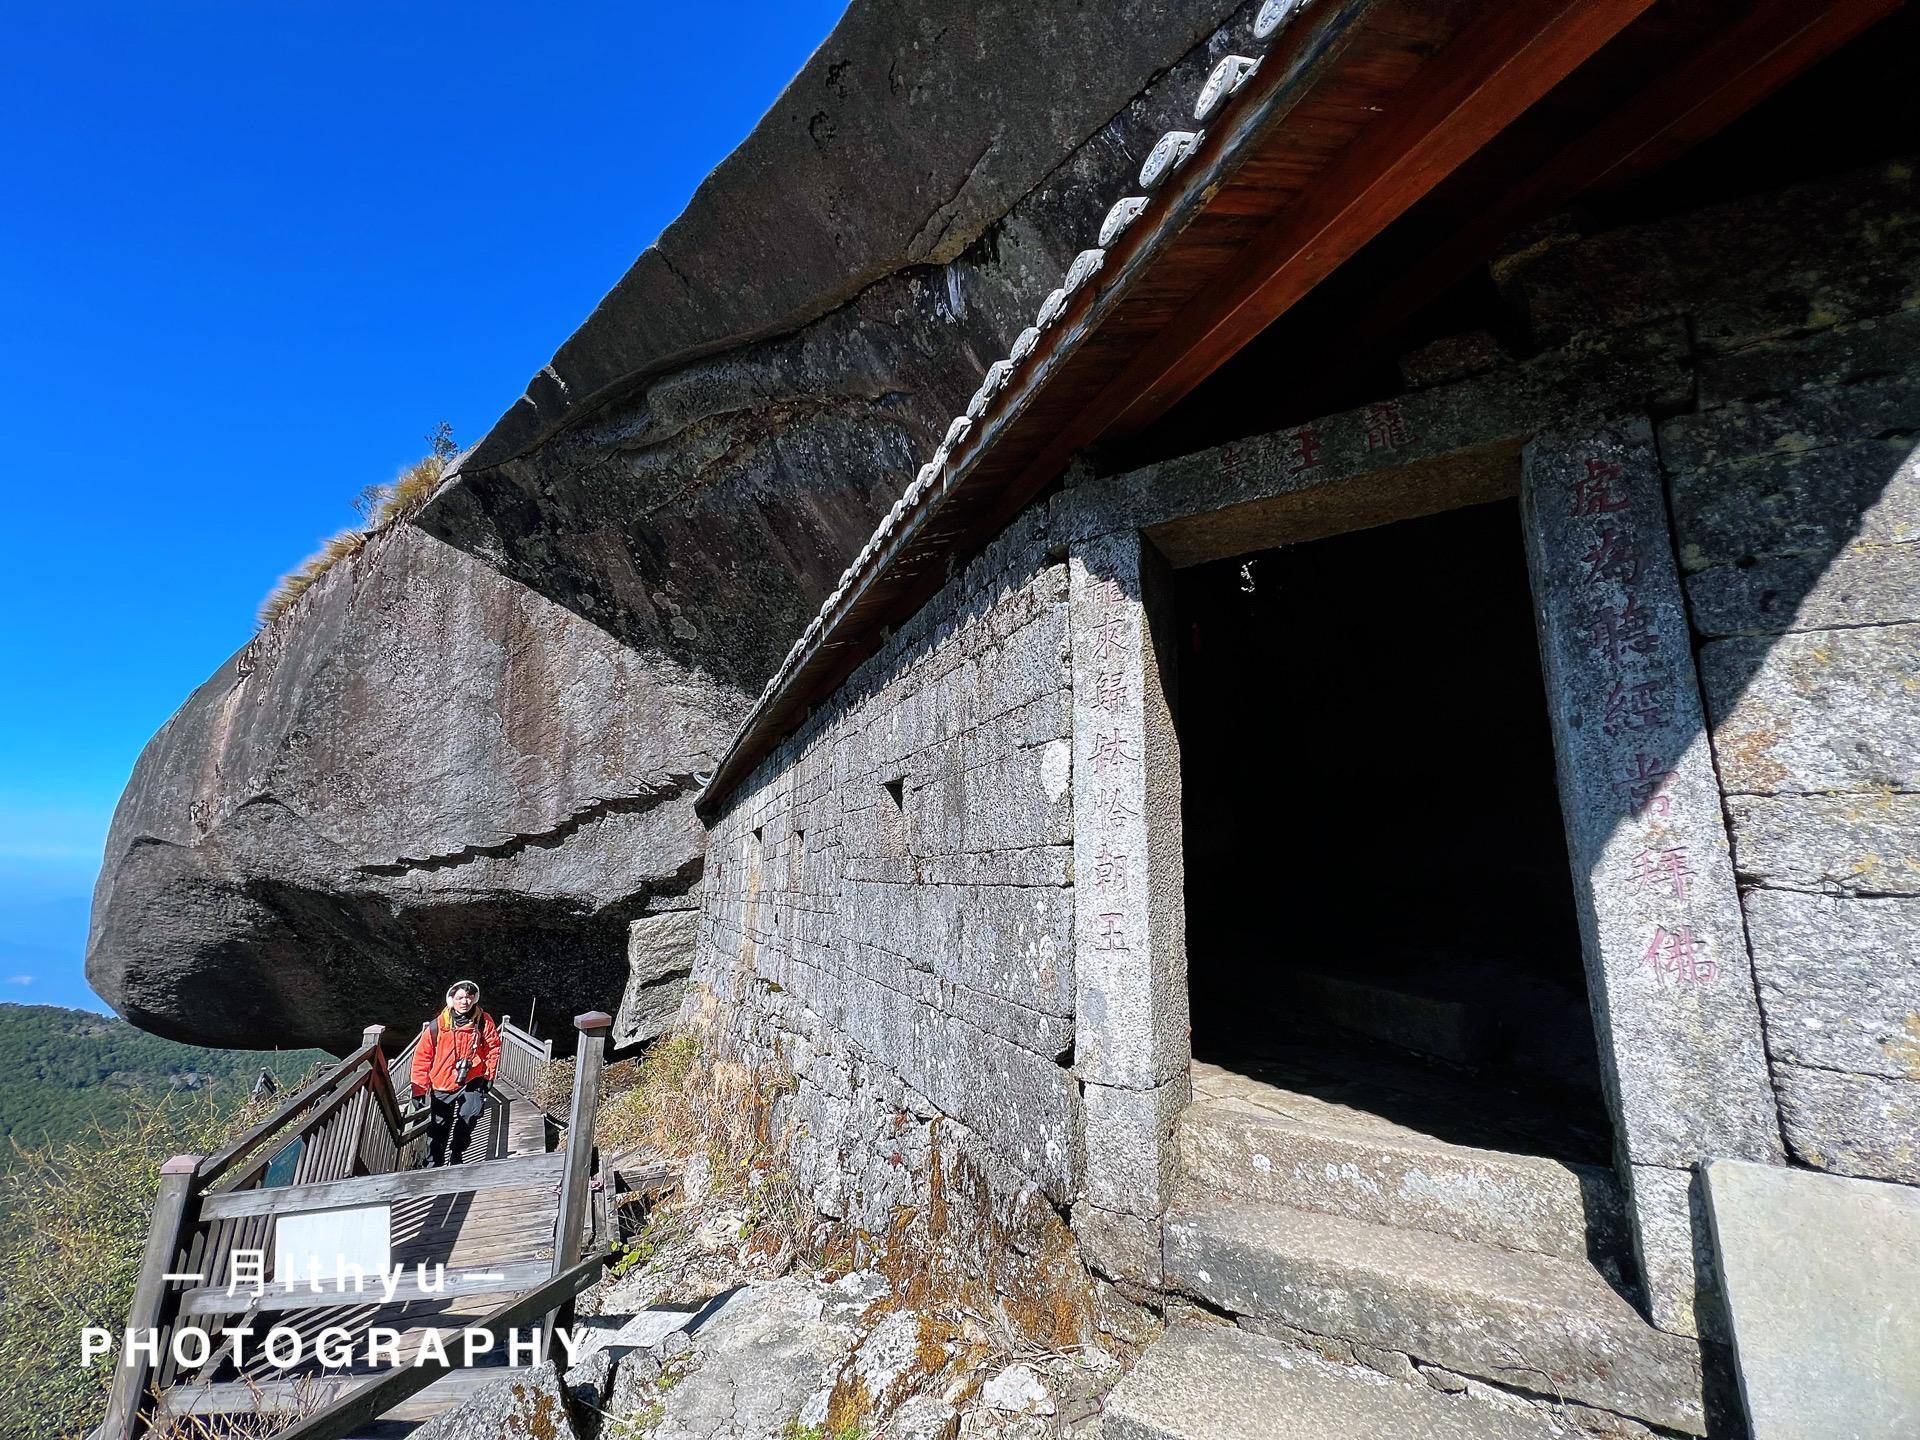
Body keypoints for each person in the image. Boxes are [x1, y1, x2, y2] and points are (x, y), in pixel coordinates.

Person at [410, 980, 501, 1167]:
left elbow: (493, 1047)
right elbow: (422, 1057)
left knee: (472, 1113)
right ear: (451, 999)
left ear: (475, 998)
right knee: (439, 1126)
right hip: (443, 1081)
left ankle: (457, 1151)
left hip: (472, 1077)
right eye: (460, 997)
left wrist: (488, 1076)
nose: (465, 1001)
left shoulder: (483, 1020)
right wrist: (418, 1090)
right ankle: (433, 1164)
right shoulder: (437, 1026)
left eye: (469, 997)